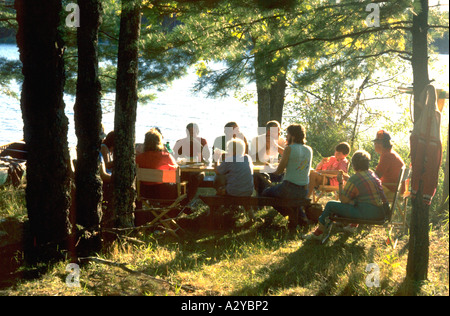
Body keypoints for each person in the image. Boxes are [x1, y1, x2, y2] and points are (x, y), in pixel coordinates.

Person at [305, 150, 388, 240]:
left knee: (330, 205)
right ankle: (351, 226)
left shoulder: (355, 178)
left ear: (354, 165)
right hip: (382, 211)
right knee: (354, 200)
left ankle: (318, 234)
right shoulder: (372, 174)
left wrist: (340, 183)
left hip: (370, 213)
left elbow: (343, 200)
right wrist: (349, 180)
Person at [255, 124, 313, 229]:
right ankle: (301, 218)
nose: (286, 137)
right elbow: (301, 167)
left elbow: (279, 171)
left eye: (288, 134)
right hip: (304, 190)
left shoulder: (289, 149)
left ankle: (292, 216)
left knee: (266, 193)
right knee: (286, 196)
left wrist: (268, 167)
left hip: (289, 189)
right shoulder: (309, 150)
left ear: (293, 136)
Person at [135, 128, 179, 199]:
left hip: (144, 192)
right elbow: (176, 171)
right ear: (159, 142)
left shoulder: (139, 158)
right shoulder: (166, 156)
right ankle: (171, 208)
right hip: (163, 192)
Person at [172, 123, 210, 202]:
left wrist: (197, 143)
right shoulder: (180, 142)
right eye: (189, 132)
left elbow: (207, 156)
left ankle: (187, 202)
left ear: (197, 131)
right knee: (177, 178)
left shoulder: (202, 141)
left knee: (195, 178)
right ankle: (177, 202)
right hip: (184, 169)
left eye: (193, 132)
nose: (191, 134)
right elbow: (174, 157)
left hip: (198, 170)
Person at [372, 130, 405, 198]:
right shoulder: (391, 153)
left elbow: (376, 176)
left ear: (381, 144)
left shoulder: (387, 156)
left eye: (375, 143)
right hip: (397, 189)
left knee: (365, 191)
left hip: (392, 190)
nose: (374, 145)